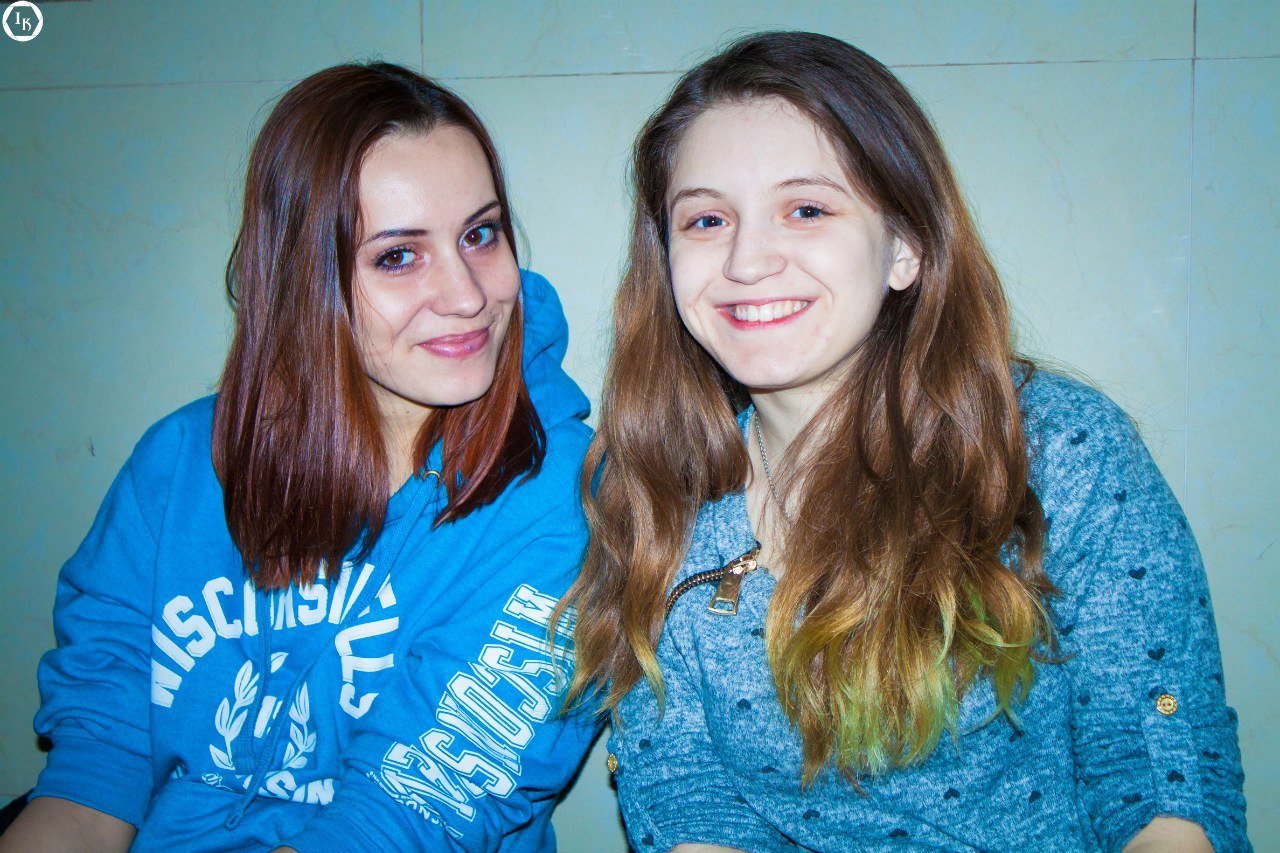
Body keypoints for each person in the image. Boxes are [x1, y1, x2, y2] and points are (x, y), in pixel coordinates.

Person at [559, 31, 1248, 852]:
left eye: (806, 209)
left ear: (906, 246)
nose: (747, 260)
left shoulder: (1061, 451)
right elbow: (689, 800)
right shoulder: (655, 488)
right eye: (706, 219)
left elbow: (1158, 767)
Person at [0, 62, 596, 852]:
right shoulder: (178, 467)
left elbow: (400, 818)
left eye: (479, 234)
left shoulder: (563, 496)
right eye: (398, 255)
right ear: (302, 279)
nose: (467, 295)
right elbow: (94, 771)